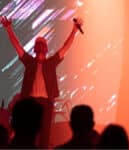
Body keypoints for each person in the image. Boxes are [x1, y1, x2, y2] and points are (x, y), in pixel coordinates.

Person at [0, 15, 83, 148]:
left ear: (45, 48)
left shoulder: (51, 63)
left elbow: (65, 47)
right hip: (31, 102)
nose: (39, 46)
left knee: (45, 135)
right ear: (35, 48)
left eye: (42, 43)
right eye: (37, 44)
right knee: (29, 134)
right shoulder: (29, 62)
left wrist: (74, 31)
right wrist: (9, 28)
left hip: (46, 103)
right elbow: (17, 45)